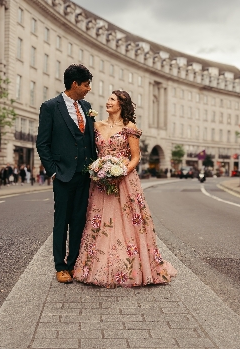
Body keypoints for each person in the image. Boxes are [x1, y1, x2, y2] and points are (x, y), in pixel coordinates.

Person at [72, 90, 177, 287]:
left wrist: (119, 172)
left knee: (127, 222)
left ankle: (129, 268)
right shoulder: (96, 125)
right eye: (108, 98)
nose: (108, 101)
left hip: (124, 180)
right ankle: (95, 266)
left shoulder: (130, 127)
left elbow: (136, 157)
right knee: (100, 222)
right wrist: (100, 171)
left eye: (112, 99)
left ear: (121, 104)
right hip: (101, 181)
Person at [36, 63, 97, 285]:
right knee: (61, 221)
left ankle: (73, 264)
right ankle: (60, 266)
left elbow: (90, 140)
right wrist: (53, 171)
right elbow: (42, 143)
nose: (89, 88)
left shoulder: (87, 106)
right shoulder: (50, 107)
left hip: (84, 175)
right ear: (74, 84)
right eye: (86, 84)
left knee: (79, 221)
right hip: (63, 175)